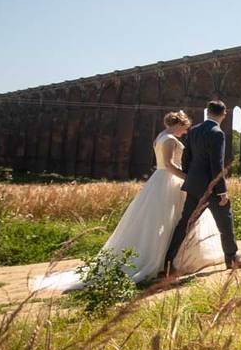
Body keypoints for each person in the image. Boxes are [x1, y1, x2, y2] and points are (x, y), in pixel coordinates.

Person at [30, 111, 225, 291]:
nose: (186, 132)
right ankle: (159, 262)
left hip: (160, 181)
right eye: (185, 128)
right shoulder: (170, 140)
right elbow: (168, 165)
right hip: (168, 181)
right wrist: (187, 177)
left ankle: (168, 260)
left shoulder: (160, 137)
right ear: (179, 125)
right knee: (168, 221)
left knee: (164, 221)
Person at [164, 100, 241, 272]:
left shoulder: (193, 131)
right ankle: (231, 258)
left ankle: (168, 263)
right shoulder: (217, 133)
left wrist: (190, 177)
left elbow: (186, 158)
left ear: (208, 112)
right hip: (211, 189)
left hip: (194, 186)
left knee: (184, 223)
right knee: (225, 222)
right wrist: (222, 191)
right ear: (223, 114)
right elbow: (217, 164)